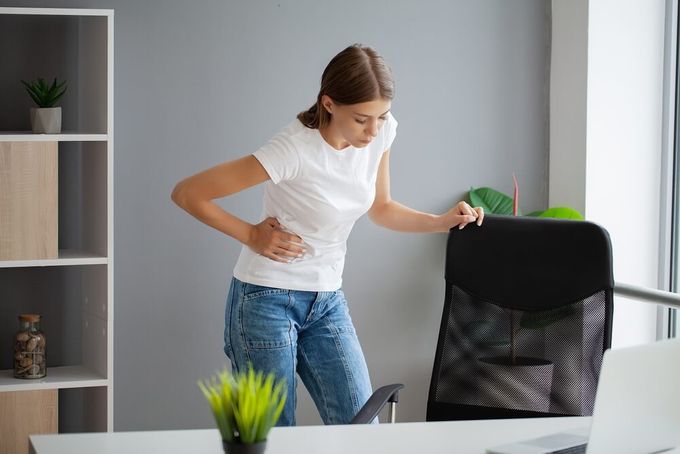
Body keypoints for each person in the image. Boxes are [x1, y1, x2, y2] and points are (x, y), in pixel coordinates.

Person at [171, 44, 484, 426]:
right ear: (329, 103)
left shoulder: (380, 134)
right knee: (271, 437)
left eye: (382, 117)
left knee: (360, 428)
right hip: (265, 301)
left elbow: (381, 208)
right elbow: (188, 193)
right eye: (362, 119)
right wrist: (252, 235)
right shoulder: (292, 150)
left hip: (326, 300)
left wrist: (442, 221)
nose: (373, 130)